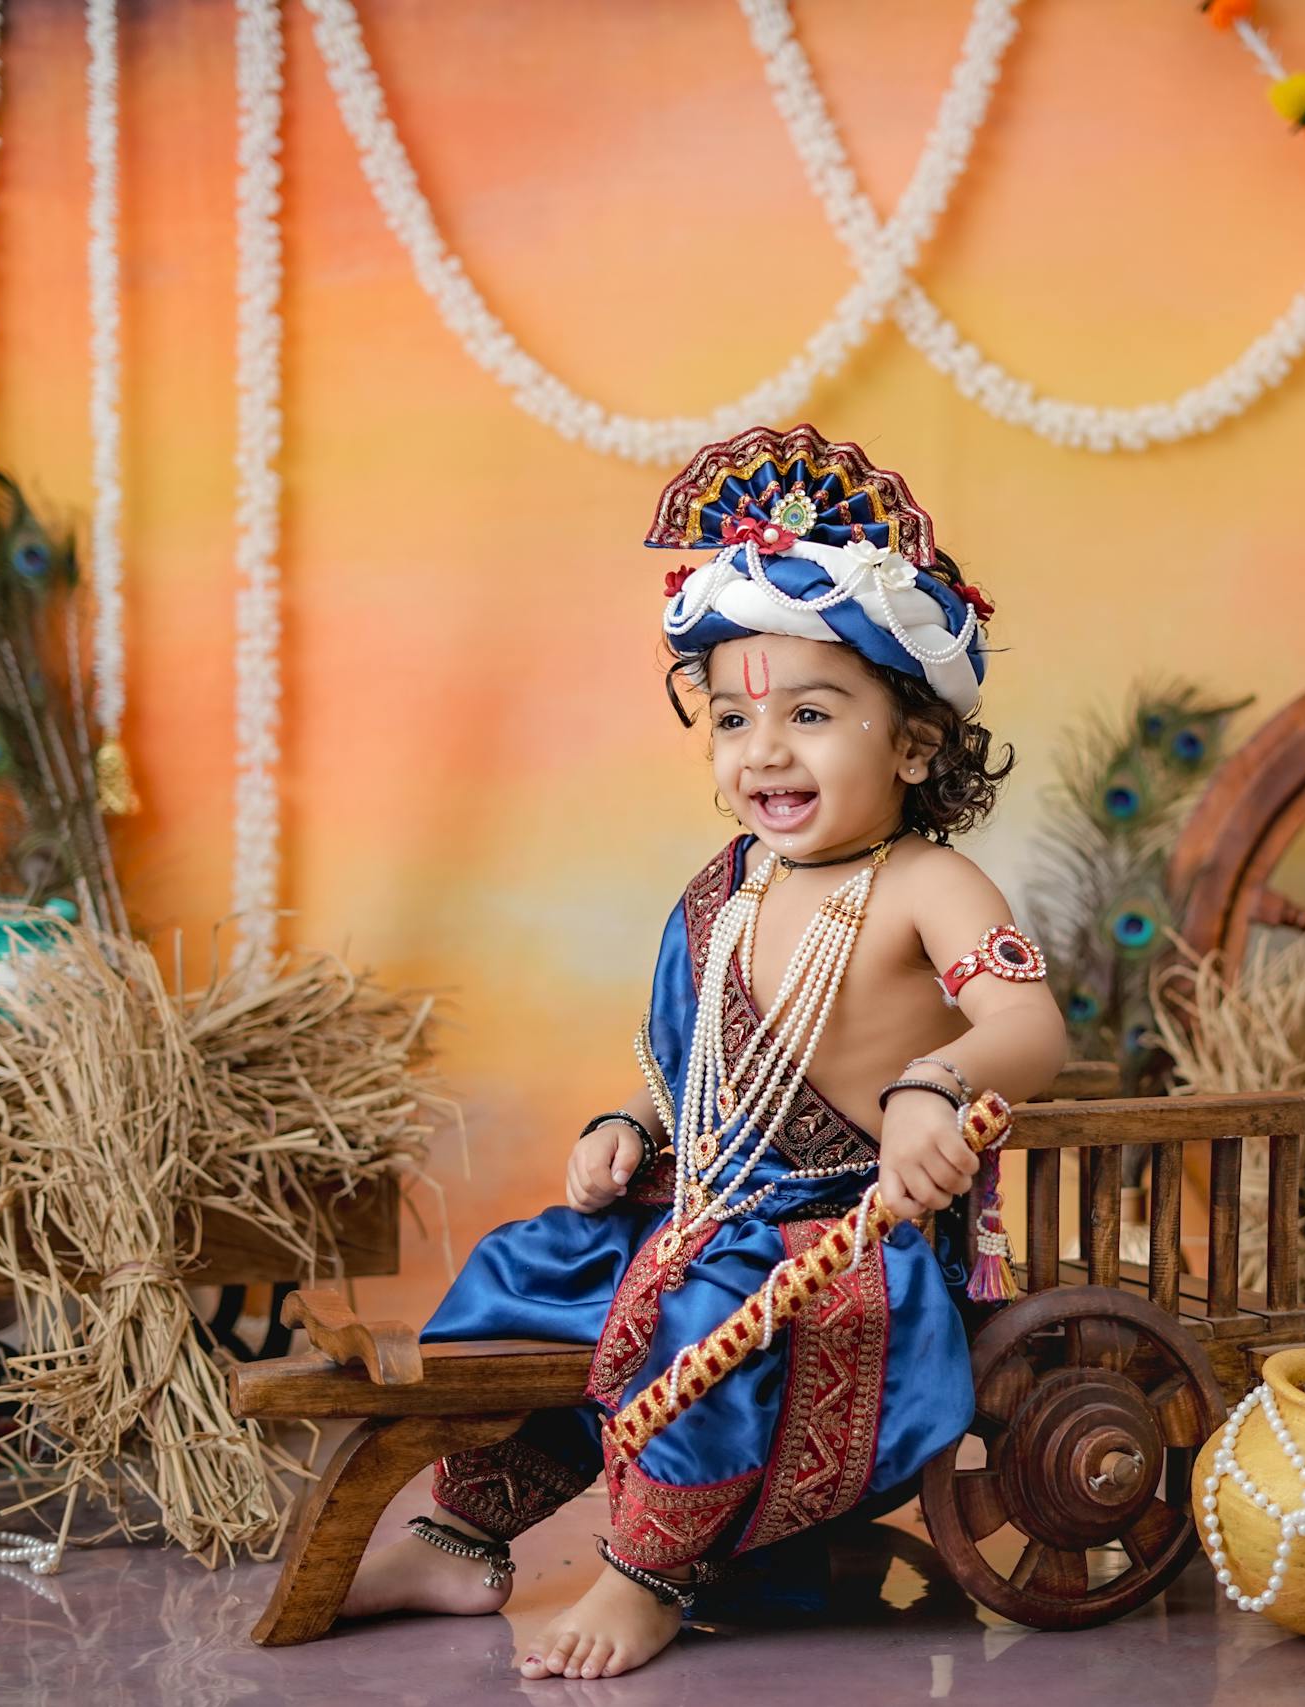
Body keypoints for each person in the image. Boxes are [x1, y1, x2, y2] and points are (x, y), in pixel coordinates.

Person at [339, 425, 1068, 1679]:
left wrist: (931, 1091)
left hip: (843, 1237)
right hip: (709, 1196)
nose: (763, 748)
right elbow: (703, 1074)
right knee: (539, 1263)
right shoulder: (725, 891)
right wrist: (629, 1124)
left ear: (913, 743)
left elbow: (1030, 1026)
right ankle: (462, 1535)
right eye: (732, 716)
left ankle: (648, 1573)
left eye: (811, 712)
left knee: (697, 1314)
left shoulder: (924, 883)